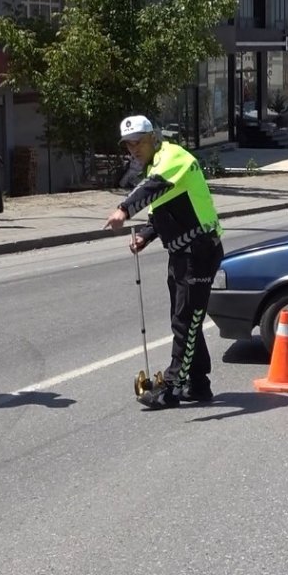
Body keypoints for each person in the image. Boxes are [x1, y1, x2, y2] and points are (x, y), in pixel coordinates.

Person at [104, 115, 224, 409]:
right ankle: (198, 383)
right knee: (182, 318)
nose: (133, 149)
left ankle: (172, 386)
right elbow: (162, 210)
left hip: (200, 250)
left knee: (187, 319)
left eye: (138, 142)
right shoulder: (156, 163)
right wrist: (145, 236)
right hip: (183, 252)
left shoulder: (172, 156)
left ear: (153, 137)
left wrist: (123, 209)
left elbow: (153, 188)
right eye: (128, 144)